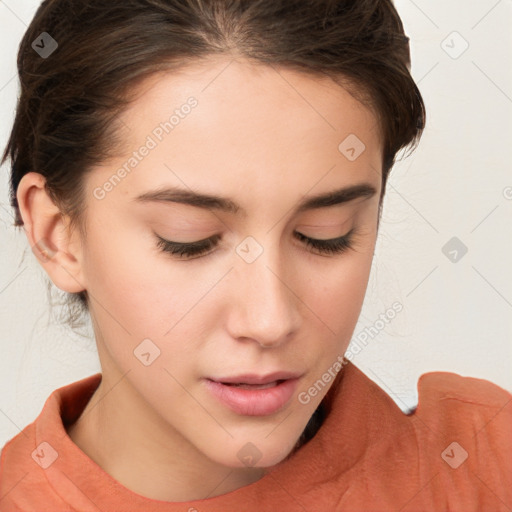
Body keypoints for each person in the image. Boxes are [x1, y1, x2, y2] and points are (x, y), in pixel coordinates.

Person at [0, 0, 510, 510]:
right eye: (189, 239)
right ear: (56, 234)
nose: (270, 321)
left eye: (325, 234)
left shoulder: (485, 466)